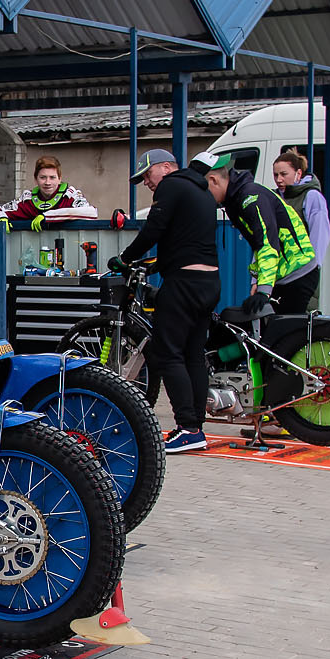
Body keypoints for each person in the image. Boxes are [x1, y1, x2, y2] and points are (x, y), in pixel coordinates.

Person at [116, 148, 217, 454]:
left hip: (183, 284)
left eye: (147, 175)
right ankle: (195, 427)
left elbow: (154, 230)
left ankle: (187, 428)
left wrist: (125, 258)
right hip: (208, 282)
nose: (147, 183)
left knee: (166, 353)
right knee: (193, 354)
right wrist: (154, 265)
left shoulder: (172, 185)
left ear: (165, 167)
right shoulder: (201, 190)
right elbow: (182, 241)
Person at [205, 157, 317, 323]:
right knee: (269, 329)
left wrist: (264, 289)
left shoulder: (250, 197)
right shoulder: (235, 200)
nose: (204, 196)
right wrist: (259, 280)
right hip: (283, 274)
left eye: (204, 189)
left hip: (297, 272)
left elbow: (267, 243)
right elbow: (257, 244)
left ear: (213, 180)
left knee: (283, 334)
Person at [269, 148, 330, 316]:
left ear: (298, 173)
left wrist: (311, 269)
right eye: (275, 175)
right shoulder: (274, 198)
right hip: (277, 274)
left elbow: (319, 236)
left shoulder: (311, 197)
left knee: (301, 320)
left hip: (302, 273)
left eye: (284, 174)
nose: (279, 179)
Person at [0, 157, 100, 229]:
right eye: (43, 177)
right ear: (35, 179)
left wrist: (48, 216)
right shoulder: (27, 199)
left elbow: (92, 213)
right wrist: (1, 218)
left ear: (59, 179)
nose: (47, 182)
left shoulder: (70, 196)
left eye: (52, 177)